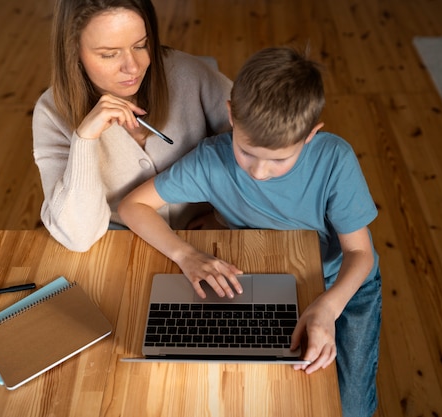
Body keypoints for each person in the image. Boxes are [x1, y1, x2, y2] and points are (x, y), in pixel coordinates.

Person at [118, 46, 381, 417]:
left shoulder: (335, 160)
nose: (258, 172)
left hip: (343, 284)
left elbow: (361, 254)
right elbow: (133, 206)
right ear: (230, 115)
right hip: (265, 273)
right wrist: (185, 254)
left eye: (278, 160)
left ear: (310, 135)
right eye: (246, 151)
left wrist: (327, 306)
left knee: (351, 406)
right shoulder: (212, 160)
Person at [32, 0, 233, 252]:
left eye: (141, 45)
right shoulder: (52, 113)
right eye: (109, 54)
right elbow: (78, 237)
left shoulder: (191, 75)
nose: (133, 67)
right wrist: (84, 141)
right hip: (119, 250)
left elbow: (262, 148)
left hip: (202, 240)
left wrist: (224, 217)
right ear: (74, 50)